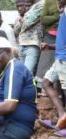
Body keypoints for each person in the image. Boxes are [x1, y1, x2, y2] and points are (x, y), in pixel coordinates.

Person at [47, 0, 66, 129]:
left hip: (64, 58)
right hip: (59, 57)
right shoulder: (64, 12)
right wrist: (50, 46)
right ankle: (62, 116)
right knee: (45, 82)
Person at [14, 0, 44, 74]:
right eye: (18, 6)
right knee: (21, 73)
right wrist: (22, 19)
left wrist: (22, 20)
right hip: (21, 45)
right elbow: (16, 30)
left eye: (22, 5)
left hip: (32, 44)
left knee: (27, 73)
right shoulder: (21, 15)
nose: (20, 8)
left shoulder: (40, 4)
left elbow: (28, 22)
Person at [36, 0, 61, 84]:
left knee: (60, 64)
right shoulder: (49, 1)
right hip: (50, 37)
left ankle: (58, 90)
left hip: (63, 37)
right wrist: (57, 16)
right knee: (45, 64)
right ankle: (41, 88)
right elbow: (43, 20)